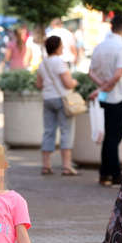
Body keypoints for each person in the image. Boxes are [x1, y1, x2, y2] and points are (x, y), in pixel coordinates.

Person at [88, 14, 122, 187]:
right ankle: (114, 173)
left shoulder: (100, 46)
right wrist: (106, 86)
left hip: (104, 97)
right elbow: (119, 73)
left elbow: (90, 72)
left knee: (108, 136)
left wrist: (101, 86)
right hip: (117, 96)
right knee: (114, 136)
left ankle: (105, 172)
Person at [35, 35, 79, 176]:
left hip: (47, 99)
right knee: (66, 131)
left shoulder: (43, 63)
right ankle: (66, 166)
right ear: (57, 47)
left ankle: (46, 165)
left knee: (48, 131)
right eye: (61, 45)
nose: (63, 47)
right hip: (61, 99)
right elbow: (68, 83)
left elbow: (39, 84)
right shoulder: (59, 62)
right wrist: (75, 82)